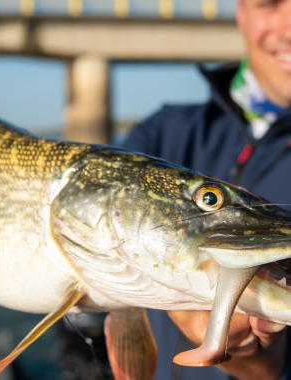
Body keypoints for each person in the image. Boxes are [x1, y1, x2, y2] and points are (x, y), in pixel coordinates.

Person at [123, 0, 291, 379]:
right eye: (270, 4)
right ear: (242, 12)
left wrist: (260, 364)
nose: (290, 26)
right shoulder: (160, 133)